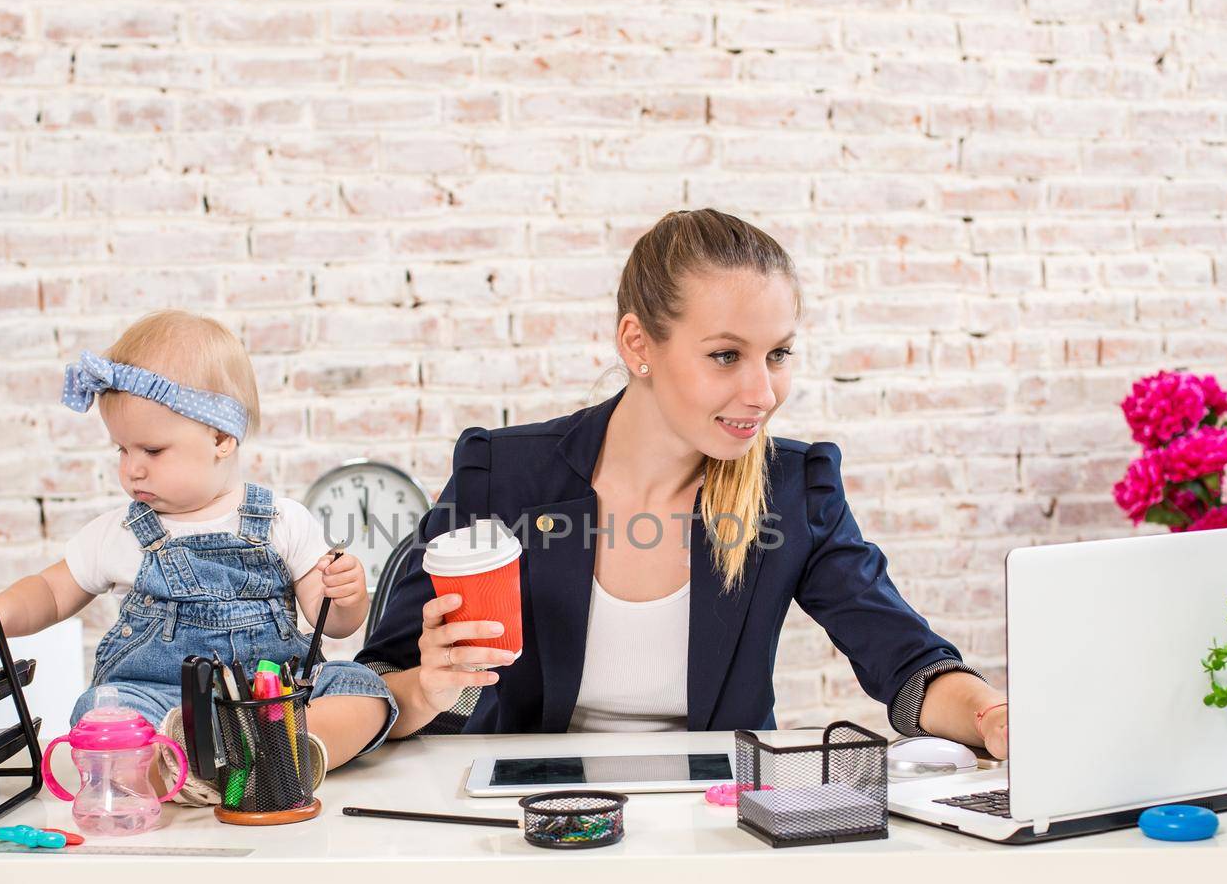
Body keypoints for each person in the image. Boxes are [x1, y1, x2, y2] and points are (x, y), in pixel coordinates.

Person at [359, 210, 1008, 757]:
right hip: (533, 819)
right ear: (638, 342)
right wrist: (431, 686)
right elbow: (376, 683)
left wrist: (992, 714)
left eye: (777, 353)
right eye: (726, 355)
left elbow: (909, 663)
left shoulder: (794, 489)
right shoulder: (504, 476)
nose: (762, 392)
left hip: (718, 821)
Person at [0, 310, 398, 772]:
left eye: (152, 451)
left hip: (274, 701)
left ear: (221, 438)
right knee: (99, 714)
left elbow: (335, 624)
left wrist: (346, 596)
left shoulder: (283, 520)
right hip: (164, 705)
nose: (132, 468)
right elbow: (50, 590)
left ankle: (288, 756)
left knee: (361, 688)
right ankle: (178, 770)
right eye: (123, 449)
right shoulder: (120, 533)